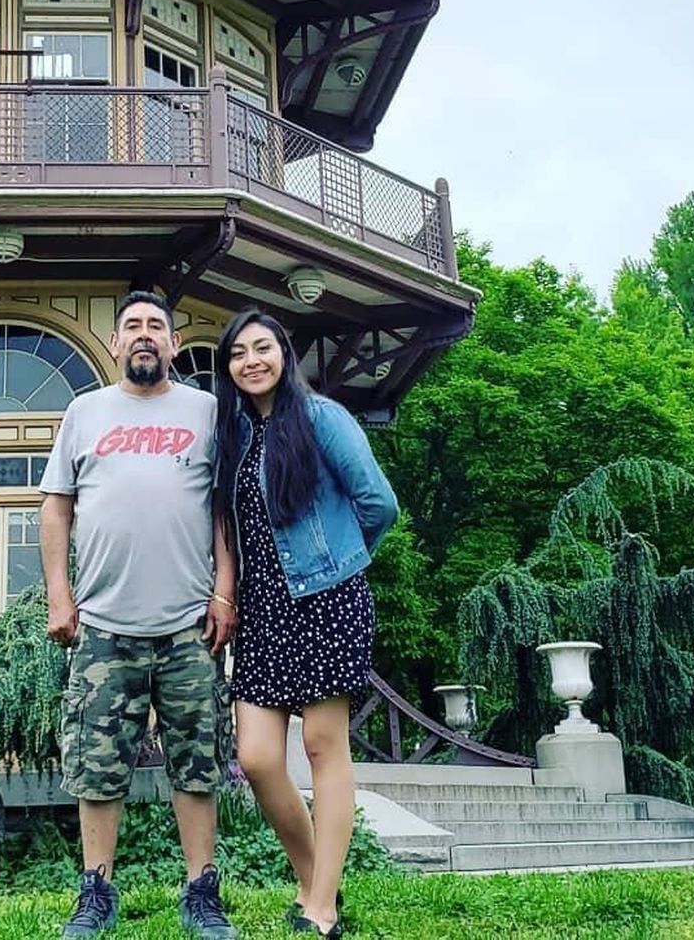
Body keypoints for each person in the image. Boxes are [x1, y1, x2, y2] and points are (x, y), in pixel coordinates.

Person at [39, 290, 240, 939]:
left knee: (198, 761)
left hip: (190, 624)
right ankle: (96, 890)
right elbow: (56, 508)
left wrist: (225, 592)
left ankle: (201, 891)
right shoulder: (84, 411)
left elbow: (223, 512)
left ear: (174, 344)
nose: (145, 334)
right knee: (98, 766)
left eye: (157, 326)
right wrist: (59, 595)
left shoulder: (207, 411)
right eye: (133, 326)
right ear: (116, 343)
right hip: (102, 624)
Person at [212, 308, 397, 940]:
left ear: (284, 355)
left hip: (327, 601)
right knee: (258, 759)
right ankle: (321, 875)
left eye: (262, 348)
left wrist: (340, 561)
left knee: (323, 749)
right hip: (263, 611)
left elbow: (378, 502)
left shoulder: (321, 418)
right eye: (238, 353)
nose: (251, 361)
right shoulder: (235, 434)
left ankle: (317, 908)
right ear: (228, 368)